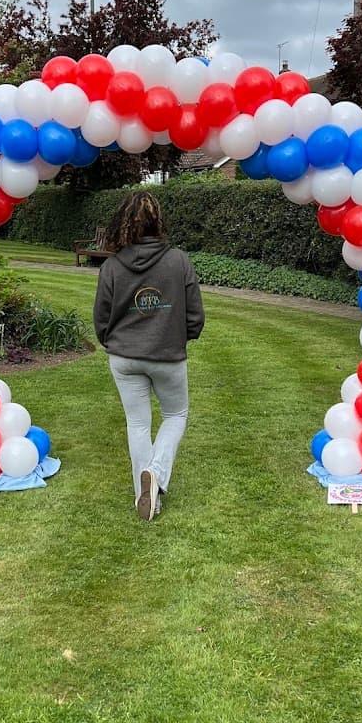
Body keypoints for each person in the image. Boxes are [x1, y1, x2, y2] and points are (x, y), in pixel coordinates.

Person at [93, 191, 205, 521]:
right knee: (176, 415)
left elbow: (101, 316)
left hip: (124, 356)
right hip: (167, 355)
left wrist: (109, 340)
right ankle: (155, 473)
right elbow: (195, 314)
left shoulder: (112, 266)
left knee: (138, 423)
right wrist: (182, 336)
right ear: (158, 222)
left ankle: (146, 495)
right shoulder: (178, 260)